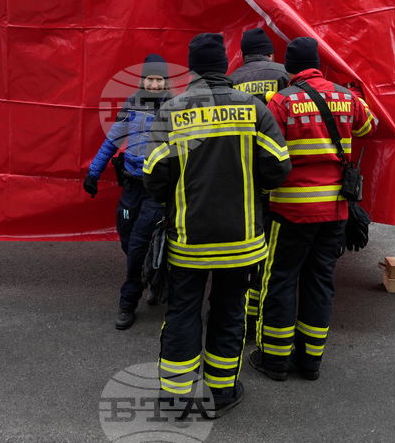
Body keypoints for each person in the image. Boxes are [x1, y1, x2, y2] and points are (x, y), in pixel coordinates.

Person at [144, 33, 291, 419]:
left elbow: (153, 176)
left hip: (188, 243)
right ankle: (222, 393)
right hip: (243, 242)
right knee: (229, 313)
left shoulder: (172, 111)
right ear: (225, 66)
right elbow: (278, 168)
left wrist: (175, 201)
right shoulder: (254, 109)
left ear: (191, 67)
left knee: (182, 312)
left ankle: (176, 397)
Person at [251, 36, 377, 382]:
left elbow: (264, 149)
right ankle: (311, 361)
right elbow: (370, 126)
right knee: (320, 283)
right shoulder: (344, 96)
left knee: (280, 281)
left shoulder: (280, 101)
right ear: (317, 64)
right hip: (334, 210)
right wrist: (352, 94)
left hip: (290, 210)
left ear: (289, 67)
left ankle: (274, 360)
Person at [84, 54, 173, 331]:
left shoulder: (175, 107)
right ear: (143, 80)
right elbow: (112, 141)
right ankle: (154, 275)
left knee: (137, 244)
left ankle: (127, 303)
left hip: (156, 189)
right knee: (126, 238)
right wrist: (93, 172)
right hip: (131, 185)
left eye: (159, 80)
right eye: (151, 79)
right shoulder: (131, 104)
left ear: (165, 81)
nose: (155, 84)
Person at [228, 27, 290, 334]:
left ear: (243, 53)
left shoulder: (234, 78)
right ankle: (263, 310)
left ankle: (245, 311)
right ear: (270, 52)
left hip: (242, 170)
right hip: (276, 165)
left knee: (249, 239)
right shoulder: (285, 74)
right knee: (274, 245)